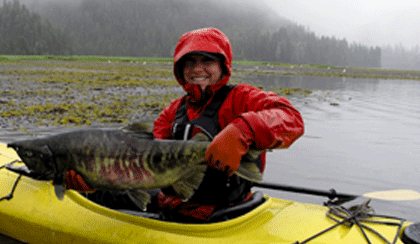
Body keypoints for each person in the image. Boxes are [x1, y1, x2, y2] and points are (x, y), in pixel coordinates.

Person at [66, 27, 304, 222]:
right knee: (99, 193)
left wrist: (243, 130)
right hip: (171, 201)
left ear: (222, 65)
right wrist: (95, 179)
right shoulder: (172, 111)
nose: (197, 69)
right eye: (189, 62)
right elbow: (142, 159)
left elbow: (291, 119)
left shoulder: (241, 98)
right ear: (180, 70)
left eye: (207, 61)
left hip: (221, 214)